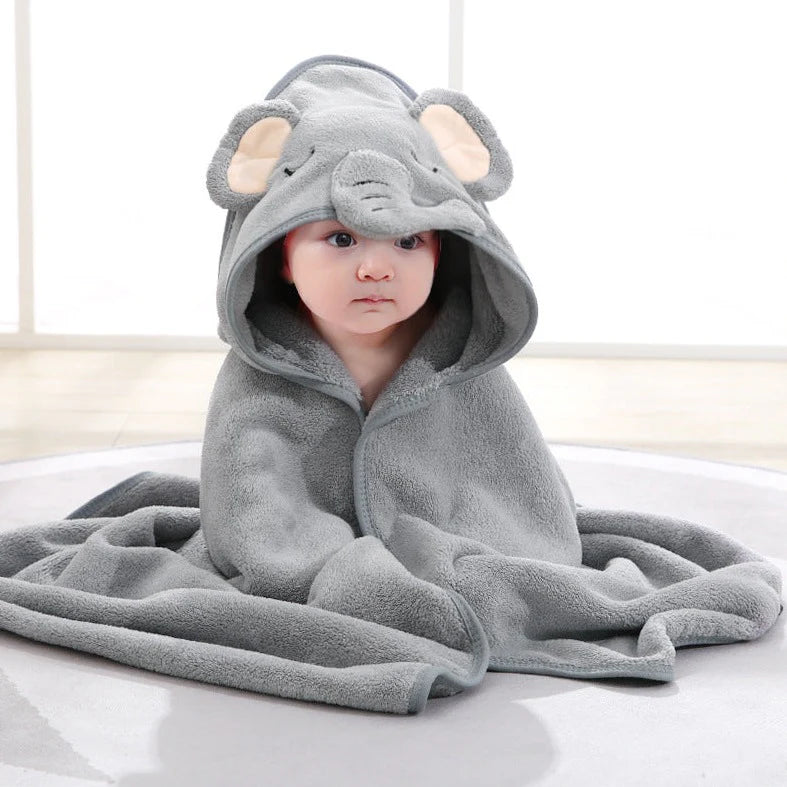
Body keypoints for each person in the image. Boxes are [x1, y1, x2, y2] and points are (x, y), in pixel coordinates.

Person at [279, 219, 442, 413]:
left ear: (436, 258)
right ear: (284, 258)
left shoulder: (463, 356)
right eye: (342, 240)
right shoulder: (262, 373)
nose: (377, 270)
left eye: (407, 241)